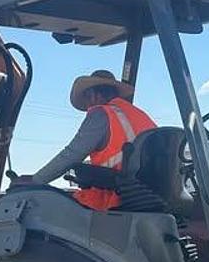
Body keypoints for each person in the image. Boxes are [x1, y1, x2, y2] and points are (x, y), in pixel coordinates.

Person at [25, 70, 157, 210]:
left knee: (46, 213)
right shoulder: (139, 115)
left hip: (116, 198)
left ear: (95, 95)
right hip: (149, 196)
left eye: (87, 98)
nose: (88, 105)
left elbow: (72, 154)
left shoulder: (102, 114)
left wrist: (35, 181)